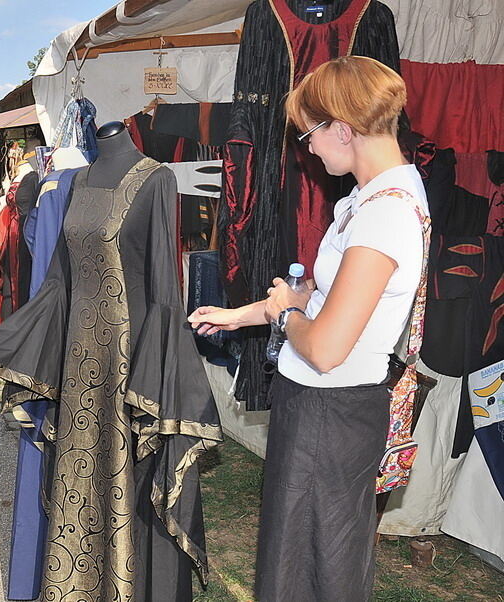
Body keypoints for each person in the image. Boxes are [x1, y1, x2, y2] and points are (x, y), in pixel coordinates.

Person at [188, 56, 428, 601]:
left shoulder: (383, 215)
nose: (310, 148)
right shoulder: (370, 202)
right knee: (304, 560)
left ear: (343, 129)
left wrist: (286, 313)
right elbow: (320, 301)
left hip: (329, 410)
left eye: (311, 135)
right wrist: (246, 313)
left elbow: (323, 346)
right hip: (325, 409)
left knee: (314, 570)